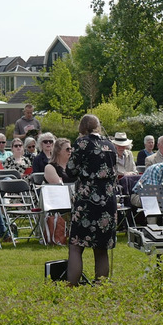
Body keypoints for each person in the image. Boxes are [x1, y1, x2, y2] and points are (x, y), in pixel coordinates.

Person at [66, 114, 117, 285]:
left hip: (87, 199)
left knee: (76, 245)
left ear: (82, 128)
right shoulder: (110, 145)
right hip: (108, 199)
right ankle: (100, 286)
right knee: (101, 248)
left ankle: (70, 287)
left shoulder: (82, 143)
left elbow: (70, 171)